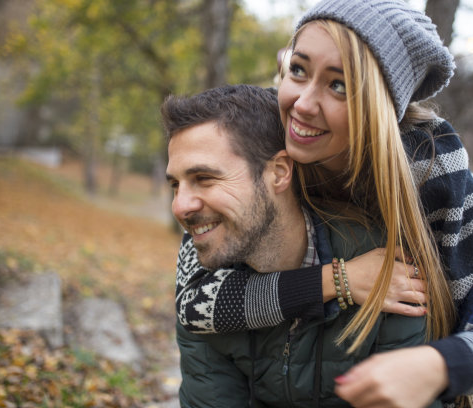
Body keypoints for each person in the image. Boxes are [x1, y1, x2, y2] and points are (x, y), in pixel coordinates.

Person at [173, 1, 473, 407]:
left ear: (379, 106)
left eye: (339, 85)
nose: (303, 104)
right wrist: (339, 280)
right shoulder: (264, 135)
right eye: (299, 70)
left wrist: (435, 366)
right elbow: (194, 304)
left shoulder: (434, 174)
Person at [163, 83, 444, 407]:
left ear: (279, 172)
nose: (180, 206)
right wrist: (339, 280)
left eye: (205, 178)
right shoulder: (202, 285)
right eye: (175, 184)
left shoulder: (386, 266)